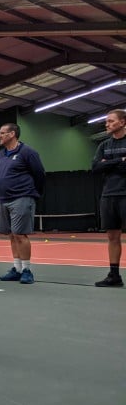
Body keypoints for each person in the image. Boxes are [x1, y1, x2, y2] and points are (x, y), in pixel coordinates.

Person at [0, 123, 46, 285]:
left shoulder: (27, 152)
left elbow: (39, 174)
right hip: (4, 199)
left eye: (2, 133)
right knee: (11, 234)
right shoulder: (1, 154)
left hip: (22, 197)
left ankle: (26, 270)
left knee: (20, 234)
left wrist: (33, 193)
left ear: (12, 134)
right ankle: (16, 269)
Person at [91, 109, 126, 287]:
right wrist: (119, 161)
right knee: (112, 236)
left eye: (111, 121)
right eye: (106, 122)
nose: (107, 124)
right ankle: (114, 276)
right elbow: (95, 167)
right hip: (108, 194)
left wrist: (108, 163)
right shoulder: (103, 145)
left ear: (122, 122)